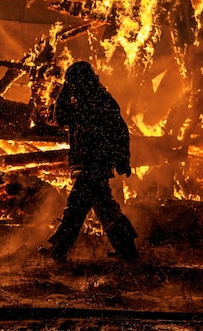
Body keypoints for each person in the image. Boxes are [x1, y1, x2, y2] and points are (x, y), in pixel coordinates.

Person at [42, 61, 138, 263]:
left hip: (92, 165)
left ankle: (58, 251)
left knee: (75, 210)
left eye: (73, 82)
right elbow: (60, 118)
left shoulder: (95, 102)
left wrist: (122, 160)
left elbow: (119, 132)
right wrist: (122, 159)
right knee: (105, 209)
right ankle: (128, 251)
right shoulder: (92, 101)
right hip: (91, 164)